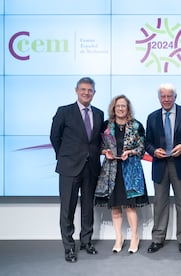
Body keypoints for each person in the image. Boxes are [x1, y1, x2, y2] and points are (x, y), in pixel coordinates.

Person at [50, 77, 104, 263]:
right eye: (83, 89)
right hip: (69, 167)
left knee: (88, 207)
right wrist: (65, 157)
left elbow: (97, 141)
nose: (86, 93)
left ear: (94, 93)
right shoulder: (64, 111)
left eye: (90, 90)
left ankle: (86, 241)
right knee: (68, 209)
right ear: (76, 90)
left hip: (91, 168)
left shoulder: (99, 113)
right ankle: (69, 247)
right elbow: (54, 137)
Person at [145, 83, 181, 254]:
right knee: (160, 203)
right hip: (160, 165)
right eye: (163, 96)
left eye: (170, 96)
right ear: (159, 98)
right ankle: (157, 239)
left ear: (175, 97)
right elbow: (147, 142)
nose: (166, 99)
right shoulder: (152, 116)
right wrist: (154, 151)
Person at [95, 95, 149, 254]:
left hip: (130, 170)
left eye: (123, 106)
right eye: (118, 106)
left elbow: (142, 148)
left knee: (130, 205)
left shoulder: (136, 125)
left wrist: (130, 151)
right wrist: (105, 152)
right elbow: (98, 146)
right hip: (111, 171)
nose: (120, 108)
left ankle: (134, 236)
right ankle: (118, 237)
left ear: (128, 108)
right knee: (115, 206)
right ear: (113, 107)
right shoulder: (106, 126)